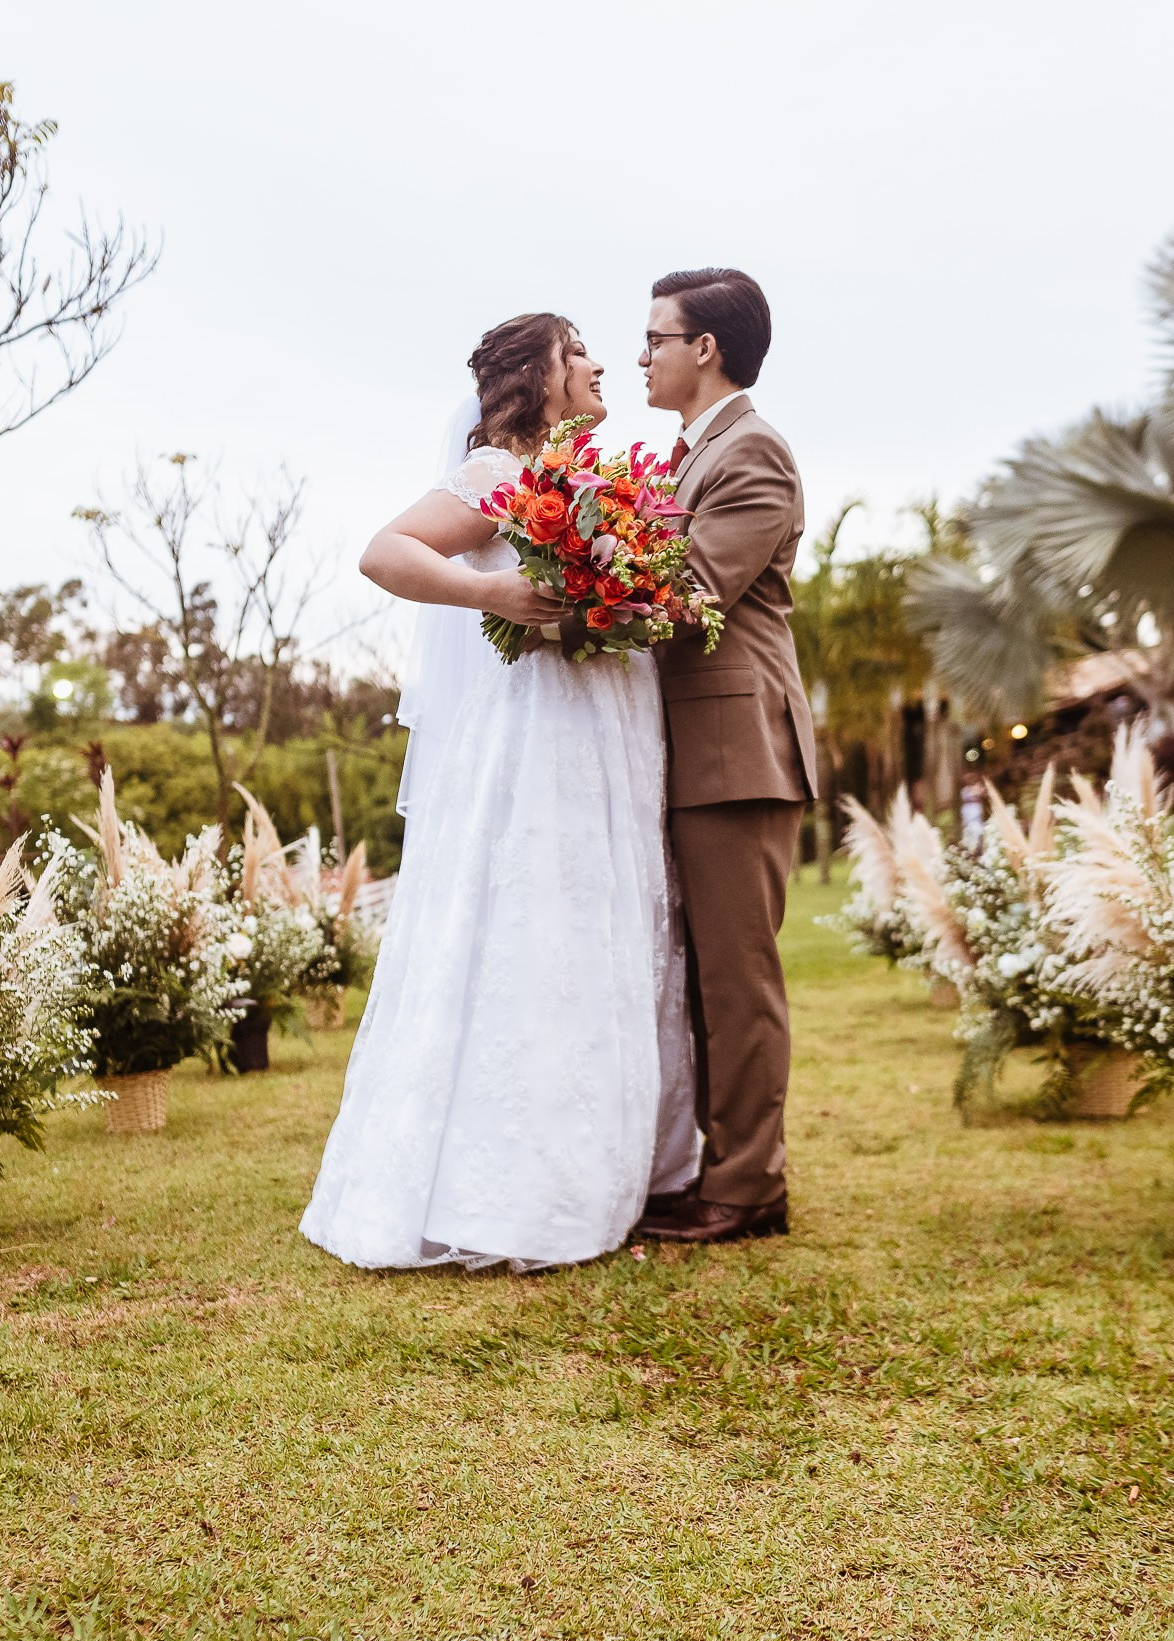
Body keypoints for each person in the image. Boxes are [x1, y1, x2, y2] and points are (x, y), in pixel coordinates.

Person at [297, 314, 698, 1270]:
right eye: (581, 353)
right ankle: (512, 1196)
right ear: (542, 376)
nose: (603, 365)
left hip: (609, 730)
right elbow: (385, 551)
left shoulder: (605, 488)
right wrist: (495, 596)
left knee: (603, 929)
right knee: (534, 929)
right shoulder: (499, 475)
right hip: (534, 742)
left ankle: (609, 1176)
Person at [629, 268, 818, 1245]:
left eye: (654, 336)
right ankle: (711, 1166)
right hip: (687, 754)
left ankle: (749, 1189)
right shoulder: (684, 456)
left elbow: (687, 590)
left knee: (735, 981)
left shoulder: (753, 456)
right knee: (697, 976)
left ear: (704, 349)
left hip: (737, 753)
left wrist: (556, 604)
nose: (640, 355)